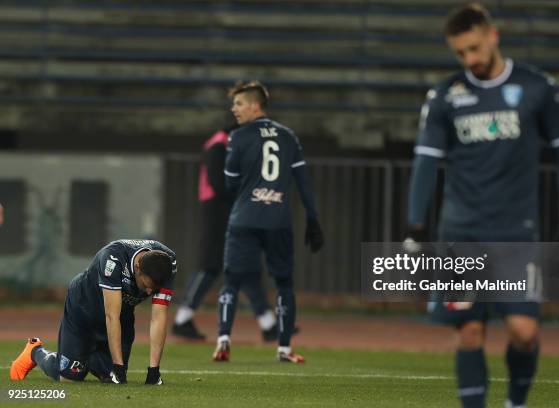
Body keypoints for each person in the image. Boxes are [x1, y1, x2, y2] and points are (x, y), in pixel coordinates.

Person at [405, 3, 559, 408]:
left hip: (514, 233)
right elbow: (425, 162)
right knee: (469, 332)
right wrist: (414, 226)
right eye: (460, 53)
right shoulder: (445, 95)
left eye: (474, 48)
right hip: (461, 232)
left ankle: (515, 403)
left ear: (493, 35)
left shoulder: (537, 87)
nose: (470, 59)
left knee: (524, 332)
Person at [213, 81, 324, 363]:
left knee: (231, 282)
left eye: (238, 104)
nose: (233, 109)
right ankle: (284, 348)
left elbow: (230, 183)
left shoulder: (237, 138)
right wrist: (313, 219)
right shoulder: (288, 137)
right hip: (278, 221)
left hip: (245, 218)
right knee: (284, 284)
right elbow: (303, 183)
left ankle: (223, 340)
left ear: (254, 105)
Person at [10, 239, 177, 385]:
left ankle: (87, 356)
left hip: (122, 315)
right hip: (83, 311)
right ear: (137, 267)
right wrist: (118, 367)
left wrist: (154, 371)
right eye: (146, 285)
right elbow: (111, 316)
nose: (149, 292)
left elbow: (159, 317)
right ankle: (35, 351)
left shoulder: (167, 263)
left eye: (154, 288)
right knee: (70, 377)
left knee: (110, 378)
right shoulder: (113, 258)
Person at [172, 124, 278, 341]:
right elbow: (217, 183)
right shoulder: (219, 145)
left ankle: (268, 323)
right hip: (218, 210)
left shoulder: (226, 143)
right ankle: (182, 319)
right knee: (210, 265)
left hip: (229, 209)